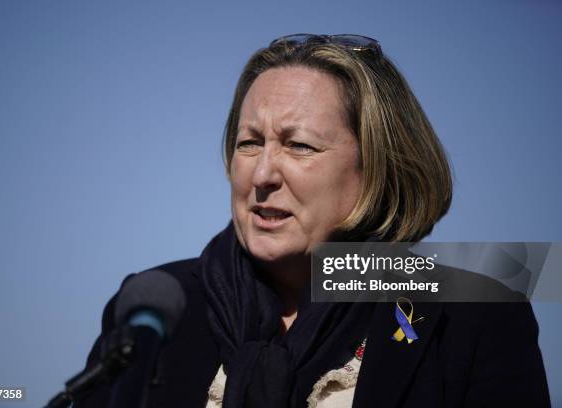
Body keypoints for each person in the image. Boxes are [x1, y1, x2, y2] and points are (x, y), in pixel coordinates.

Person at [73, 34, 550, 407]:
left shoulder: (474, 316)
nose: (262, 173)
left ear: (378, 167)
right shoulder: (156, 305)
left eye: (298, 145)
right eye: (248, 143)